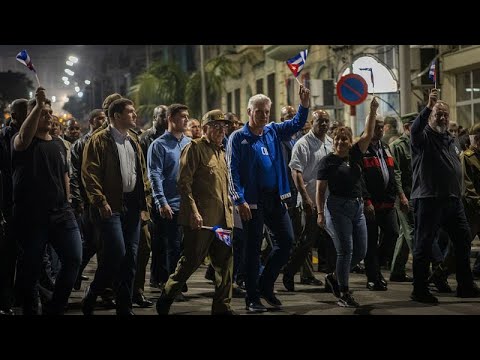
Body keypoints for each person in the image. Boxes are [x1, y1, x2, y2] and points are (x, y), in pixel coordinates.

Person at [227, 85, 310, 312]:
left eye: (266, 111)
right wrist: (239, 200)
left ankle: (265, 285)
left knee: (286, 243)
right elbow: (231, 171)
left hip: (275, 198)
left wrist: (304, 105)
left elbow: (296, 124)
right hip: (251, 202)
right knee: (252, 250)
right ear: (249, 112)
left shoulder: (273, 131)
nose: (263, 115)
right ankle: (252, 298)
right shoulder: (238, 138)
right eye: (259, 111)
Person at [156, 110, 235, 315]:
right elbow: (184, 183)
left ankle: (222, 308)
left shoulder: (222, 152)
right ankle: (167, 295)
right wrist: (193, 212)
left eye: (223, 126)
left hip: (222, 222)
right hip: (201, 221)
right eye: (216, 126)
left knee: (225, 265)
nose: (220, 130)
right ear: (205, 128)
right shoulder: (194, 148)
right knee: (190, 262)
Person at [12, 87, 82, 315]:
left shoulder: (59, 144)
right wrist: (38, 105)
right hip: (32, 216)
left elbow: (65, 176)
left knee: (73, 259)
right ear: (31, 115)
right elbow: (23, 137)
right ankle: (29, 308)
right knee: (31, 268)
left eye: (49, 111)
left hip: (61, 213)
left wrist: (69, 200)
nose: (48, 115)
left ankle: (56, 305)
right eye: (43, 112)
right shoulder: (22, 141)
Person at [81, 98, 152, 315]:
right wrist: (100, 201)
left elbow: (142, 174)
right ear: (116, 116)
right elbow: (89, 174)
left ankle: (124, 306)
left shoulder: (133, 140)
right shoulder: (99, 140)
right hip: (109, 206)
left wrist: (144, 204)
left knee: (131, 257)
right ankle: (93, 292)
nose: (134, 115)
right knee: (116, 253)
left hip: (132, 206)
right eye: (130, 112)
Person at [410, 88, 479, 303]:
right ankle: (419, 290)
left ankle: (465, 285)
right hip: (429, 199)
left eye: (444, 114)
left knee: (463, 240)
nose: (441, 117)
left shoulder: (450, 140)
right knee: (423, 244)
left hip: (452, 200)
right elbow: (414, 129)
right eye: (437, 114)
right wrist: (429, 105)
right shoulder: (422, 138)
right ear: (430, 117)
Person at [316, 96, 378, 308]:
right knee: (345, 251)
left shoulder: (355, 153)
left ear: (350, 141)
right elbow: (321, 188)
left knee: (361, 251)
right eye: (338, 139)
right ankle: (343, 291)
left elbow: (368, 133)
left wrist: (372, 110)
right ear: (333, 141)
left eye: (345, 139)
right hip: (337, 208)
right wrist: (320, 213)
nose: (341, 142)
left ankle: (334, 276)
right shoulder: (328, 161)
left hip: (357, 207)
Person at [283, 109, 334, 291]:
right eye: (320, 121)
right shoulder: (302, 144)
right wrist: (305, 198)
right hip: (310, 202)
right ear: (311, 122)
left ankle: (332, 279)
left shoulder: (331, 142)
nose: (324, 125)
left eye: (326, 121)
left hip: (329, 202)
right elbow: (295, 172)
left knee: (331, 241)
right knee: (307, 241)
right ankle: (289, 272)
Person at [389, 112, 417, 283]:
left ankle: (397, 271)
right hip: (404, 196)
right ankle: (425, 270)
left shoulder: (419, 144)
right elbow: (396, 173)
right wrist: (401, 196)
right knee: (413, 233)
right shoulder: (397, 146)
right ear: (407, 127)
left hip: (417, 194)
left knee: (404, 234)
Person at [461, 123, 480, 278]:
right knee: (462, 245)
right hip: (472, 210)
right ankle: (440, 273)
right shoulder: (467, 157)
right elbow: (467, 187)